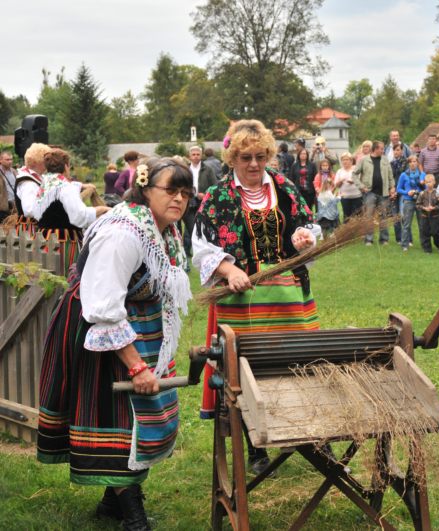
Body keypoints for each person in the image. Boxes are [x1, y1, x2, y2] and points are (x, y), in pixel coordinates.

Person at [37, 157, 193, 530]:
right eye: (170, 190)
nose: (179, 199)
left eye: (185, 192)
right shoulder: (122, 233)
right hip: (102, 329)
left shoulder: (163, 228)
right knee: (121, 419)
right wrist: (136, 365)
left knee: (141, 416)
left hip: (138, 324)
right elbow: (103, 307)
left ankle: (112, 501)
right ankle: (133, 518)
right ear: (145, 189)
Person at [192, 120, 317, 473]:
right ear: (232, 158)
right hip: (241, 302)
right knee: (246, 371)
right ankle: (256, 447)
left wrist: (305, 239)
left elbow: (306, 225)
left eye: (260, 156)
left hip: (289, 297)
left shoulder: (284, 187)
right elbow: (201, 247)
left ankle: (300, 433)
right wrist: (229, 270)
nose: (253, 164)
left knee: (295, 363)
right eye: (245, 157)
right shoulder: (218, 196)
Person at [33, 149, 111, 270]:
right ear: (66, 166)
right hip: (63, 243)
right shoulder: (65, 188)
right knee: (64, 276)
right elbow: (79, 216)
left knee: (47, 277)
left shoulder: (47, 182)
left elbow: (64, 190)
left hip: (44, 238)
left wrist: (82, 185)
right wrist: (102, 209)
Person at [353, 140, 394, 245]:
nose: (383, 150)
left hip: (383, 193)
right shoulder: (364, 160)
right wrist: (361, 186)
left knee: (383, 216)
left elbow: (390, 175)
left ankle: (384, 239)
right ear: (375, 149)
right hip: (369, 193)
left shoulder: (385, 160)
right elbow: (354, 174)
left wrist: (392, 187)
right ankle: (368, 239)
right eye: (381, 149)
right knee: (369, 216)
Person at [184, 146, 218, 257]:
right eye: (193, 154)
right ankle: (189, 251)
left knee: (203, 227)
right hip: (189, 201)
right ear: (189, 156)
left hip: (203, 202)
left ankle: (204, 250)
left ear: (201, 155)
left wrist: (206, 195)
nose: (195, 156)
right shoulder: (185, 169)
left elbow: (215, 186)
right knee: (190, 228)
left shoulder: (208, 169)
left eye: (198, 154)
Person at [14, 143, 51, 233]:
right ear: (35, 162)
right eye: (45, 161)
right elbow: (29, 211)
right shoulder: (28, 183)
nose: (48, 164)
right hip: (31, 231)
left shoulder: (36, 177)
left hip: (36, 228)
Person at [396, 155, 425, 251]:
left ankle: (424, 245)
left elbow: (426, 188)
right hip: (408, 200)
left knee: (422, 224)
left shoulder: (422, 174)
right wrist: (407, 192)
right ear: (408, 164)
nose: (413, 164)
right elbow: (398, 189)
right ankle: (404, 245)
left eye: (415, 161)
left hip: (420, 201)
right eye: (411, 162)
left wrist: (421, 188)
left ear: (417, 163)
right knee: (406, 223)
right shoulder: (404, 175)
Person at [416, 174, 439, 253]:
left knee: (435, 232)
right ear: (424, 183)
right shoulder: (422, 193)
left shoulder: (438, 193)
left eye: (430, 182)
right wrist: (424, 208)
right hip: (425, 216)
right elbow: (418, 204)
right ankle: (427, 249)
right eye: (427, 182)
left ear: (434, 182)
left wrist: (434, 208)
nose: (428, 184)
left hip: (435, 216)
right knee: (425, 232)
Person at [334, 152, 362, 221]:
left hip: (357, 196)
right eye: (343, 160)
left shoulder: (356, 169)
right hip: (345, 197)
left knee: (357, 215)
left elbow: (361, 181)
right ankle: (347, 228)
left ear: (351, 161)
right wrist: (340, 181)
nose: (345, 161)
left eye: (347, 159)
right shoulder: (339, 171)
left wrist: (354, 181)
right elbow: (336, 185)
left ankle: (358, 227)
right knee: (346, 216)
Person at [390, 143, 409, 243]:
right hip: (393, 191)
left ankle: (408, 238)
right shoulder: (391, 163)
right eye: (395, 150)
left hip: (403, 191)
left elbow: (404, 176)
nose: (396, 152)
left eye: (398, 150)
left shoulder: (406, 162)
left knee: (404, 215)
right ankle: (399, 238)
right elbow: (390, 177)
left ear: (402, 151)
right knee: (395, 215)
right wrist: (391, 189)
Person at [290, 147, 317, 211]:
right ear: (299, 155)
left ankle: (309, 217)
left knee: (308, 208)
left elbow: (315, 177)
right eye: (301, 154)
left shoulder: (312, 165)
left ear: (307, 155)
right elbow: (291, 178)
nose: (303, 155)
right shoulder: (294, 165)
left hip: (309, 191)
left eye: (304, 154)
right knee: (299, 208)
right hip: (298, 191)